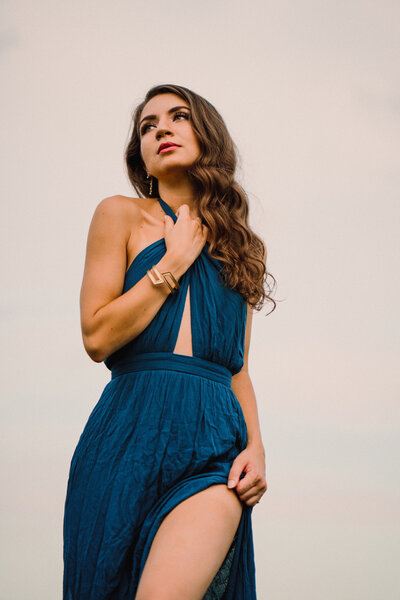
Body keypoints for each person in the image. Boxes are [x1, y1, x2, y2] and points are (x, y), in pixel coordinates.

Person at [63, 83, 276, 599]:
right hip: (124, 436)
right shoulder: (119, 215)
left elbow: (238, 367)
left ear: (206, 134)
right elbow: (96, 336)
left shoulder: (241, 246)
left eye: (177, 117)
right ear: (141, 153)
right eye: (147, 126)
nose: (161, 129)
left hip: (213, 443)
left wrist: (257, 448)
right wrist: (171, 263)